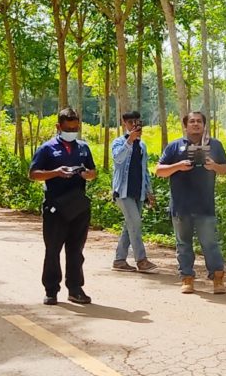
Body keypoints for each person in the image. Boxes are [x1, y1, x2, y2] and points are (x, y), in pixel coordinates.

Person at [155, 111, 226, 295]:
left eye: (199, 121)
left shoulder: (214, 145)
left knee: (210, 243)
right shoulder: (174, 147)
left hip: (205, 205)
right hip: (181, 205)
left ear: (204, 126)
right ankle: (187, 279)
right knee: (183, 244)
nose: (195, 124)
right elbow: (159, 170)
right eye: (192, 121)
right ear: (185, 125)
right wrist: (178, 166)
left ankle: (218, 279)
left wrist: (214, 166)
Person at [29, 107, 98, 306]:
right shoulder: (47, 148)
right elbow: (33, 174)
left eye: (75, 128)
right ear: (59, 127)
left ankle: (75, 288)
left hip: (78, 205)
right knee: (53, 249)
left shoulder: (83, 147)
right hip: (55, 206)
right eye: (68, 128)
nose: (72, 131)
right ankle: (51, 290)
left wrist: (88, 174)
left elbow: (93, 171)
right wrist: (56, 172)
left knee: (76, 250)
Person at [110, 111, 158, 273]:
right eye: (131, 123)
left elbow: (144, 170)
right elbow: (118, 159)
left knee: (130, 225)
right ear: (125, 124)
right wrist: (129, 140)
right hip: (122, 192)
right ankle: (141, 260)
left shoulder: (142, 146)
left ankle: (119, 260)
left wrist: (149, 191)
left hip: (138, 192)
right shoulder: (118, 142)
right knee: (135, 223)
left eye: (138, 122)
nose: (135, 125)